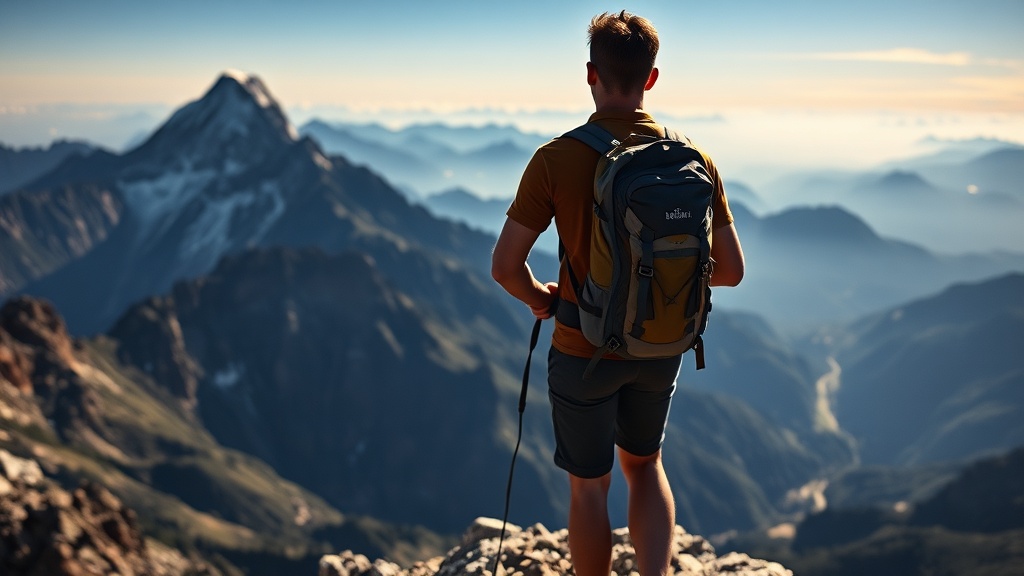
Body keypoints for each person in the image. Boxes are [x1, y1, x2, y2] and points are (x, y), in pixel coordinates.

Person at [491, 10, 745, 576]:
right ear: (652, 79)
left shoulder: (555, 159)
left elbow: (505, 267)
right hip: (661, 345)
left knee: (589, 489)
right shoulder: (693, 161)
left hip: (584, 348)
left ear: (590, 74)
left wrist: (542, 298)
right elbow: (730, 271)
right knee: (646, 465)